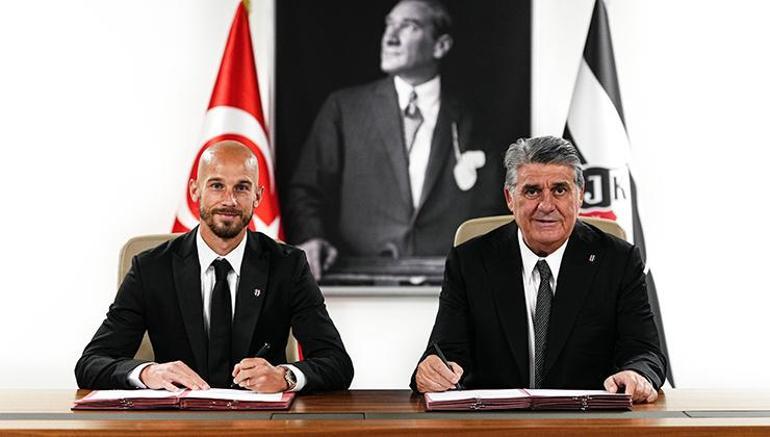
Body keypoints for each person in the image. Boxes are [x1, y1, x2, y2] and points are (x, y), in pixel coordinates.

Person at [76, 141, 354, 393]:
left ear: (257, 196)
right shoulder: (151, 268)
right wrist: (148, 372)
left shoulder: (288, 266)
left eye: (242, 188)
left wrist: (285, 376)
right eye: (217, 185)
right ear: (195, 190)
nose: (229, 200)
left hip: (260, 423)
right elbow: (91, 363)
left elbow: (337, 363)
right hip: (178, 422)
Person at [411, 136, 666, 403]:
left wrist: (637, 374)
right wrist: (432, 371)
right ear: (510, 198)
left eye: (560, 190)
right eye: (532, 191)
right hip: (495, 420)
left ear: (580, 196)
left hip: (587, 420)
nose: (546, 205)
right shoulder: (470, 261)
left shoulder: (618, 261)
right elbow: (446, 351)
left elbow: (644, 351)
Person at [285, 0, 504, 279]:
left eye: (408, 26)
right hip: (362, 282)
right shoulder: (344, 109)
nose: (390, 37)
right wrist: (311, 238)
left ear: (440, 46)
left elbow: (491, 204)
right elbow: (306, 190)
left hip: (450, 282)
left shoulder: (475, 117)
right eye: (389, 25)